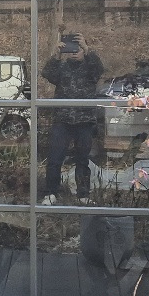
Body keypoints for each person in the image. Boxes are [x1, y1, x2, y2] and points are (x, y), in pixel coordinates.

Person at [40, 32, 104, 204]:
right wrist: (56, 54)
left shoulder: (90, 68)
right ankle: (51, 193)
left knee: (82, 160)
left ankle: (83, 195)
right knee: (55, 159)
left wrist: (87, 50)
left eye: (78, 48)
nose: (75, 52)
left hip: (84, 120)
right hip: (62, 119)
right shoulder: (62, 67)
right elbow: (47, 73)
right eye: (72, 48)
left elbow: (98, 71)